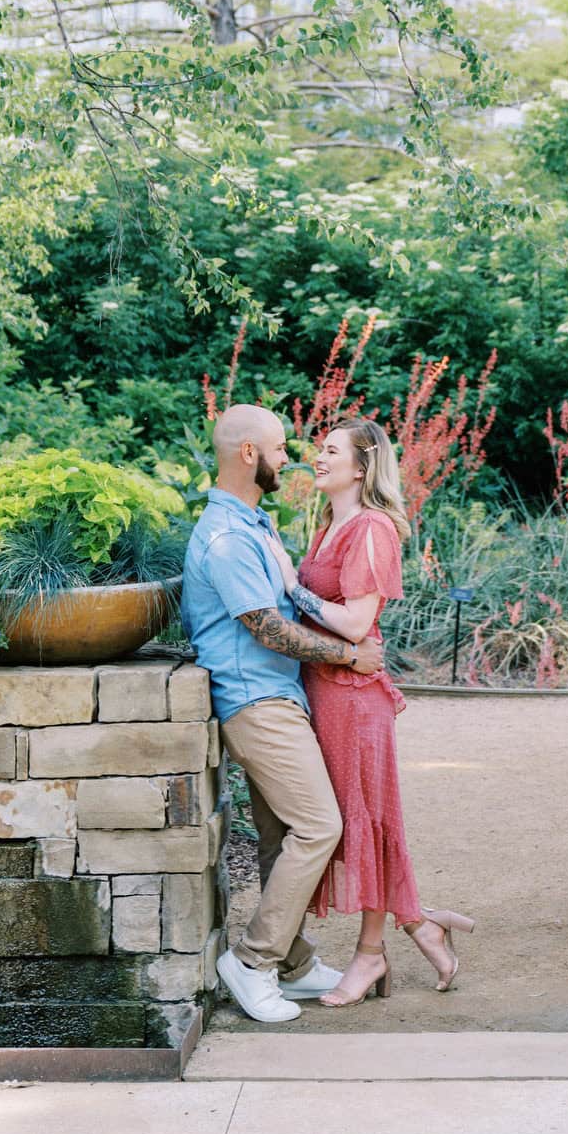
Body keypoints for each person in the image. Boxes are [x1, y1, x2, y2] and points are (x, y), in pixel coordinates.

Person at [182, 403, 386, 1025]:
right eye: (278, 448)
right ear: (249, 454)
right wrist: (350, 656)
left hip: (280, 696)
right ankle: (254, 961)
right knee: (320, 826)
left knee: (280, 839)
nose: (287, 457)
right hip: (255, 701)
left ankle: (293, 965)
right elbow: (266, 627)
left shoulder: (254, 523)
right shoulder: (226, 537)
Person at [272, 419, 474, 1008]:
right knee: (345, 820)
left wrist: (293, 587)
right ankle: (419, 922)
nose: (319, 456)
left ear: (362, 466)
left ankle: (370, 955)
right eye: (320, 448)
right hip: (327, 692)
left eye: (331, 450)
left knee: (366, 821)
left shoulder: (371, 528)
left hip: (356, 702)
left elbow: (358, 625)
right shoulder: (329, 525)